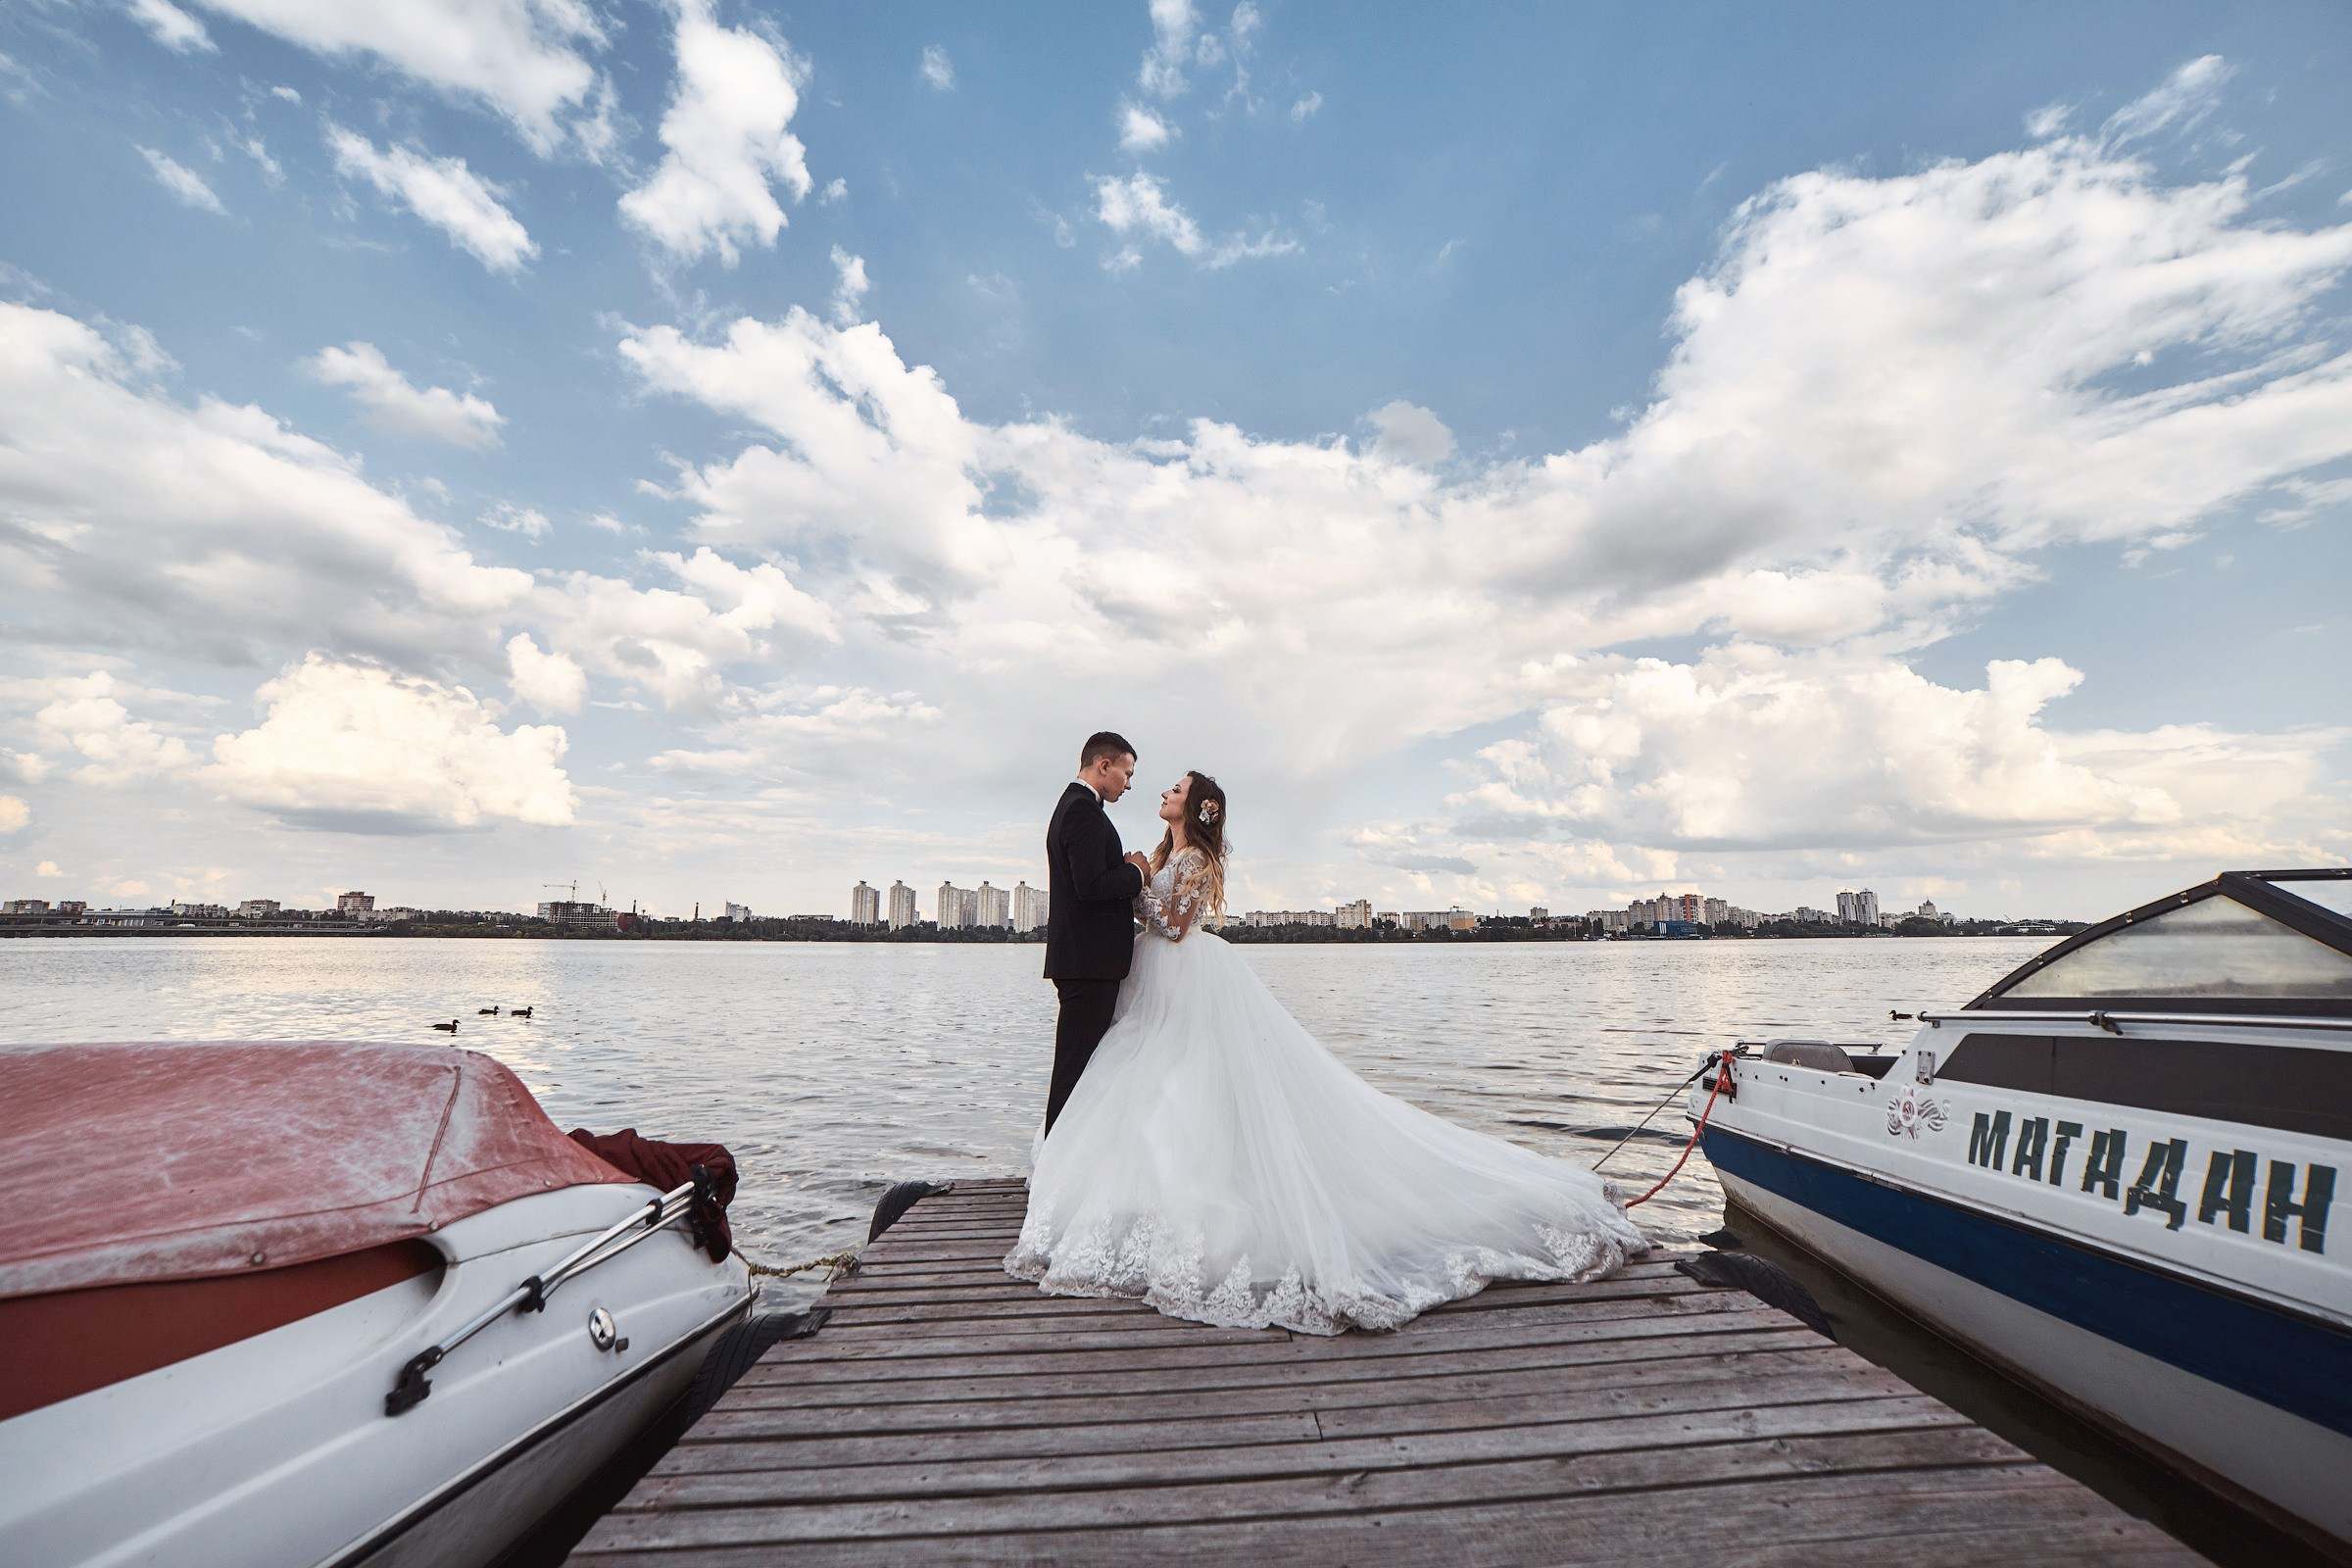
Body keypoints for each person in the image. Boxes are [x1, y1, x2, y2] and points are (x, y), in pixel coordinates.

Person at [1009, 769, 1646, 1335]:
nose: (1163, 792)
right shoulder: (1160, 852)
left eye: (1175, 788)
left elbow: (1174, 925)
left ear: (1198, 806)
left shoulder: (1196, 859)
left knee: (1183, 1083)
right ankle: (1152, 1198)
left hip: (1183, 975)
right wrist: (1140, 876)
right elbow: (1150, 909)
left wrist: (1139, 883)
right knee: (1153, 1089)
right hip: (1153, 979)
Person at [1039, 731, 1152, 1136]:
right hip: (1089, 965)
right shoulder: (1082, 811)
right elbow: (1090, 887)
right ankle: (1055, 1160)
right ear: (1104, 765)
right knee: (1074, 1075)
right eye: (1127, 773)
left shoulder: (1077, 807)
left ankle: (1066, 1157)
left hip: (1085, 962)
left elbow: (1089, 878)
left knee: (1081, 1072)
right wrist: (1136, 872)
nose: (1129, 783)